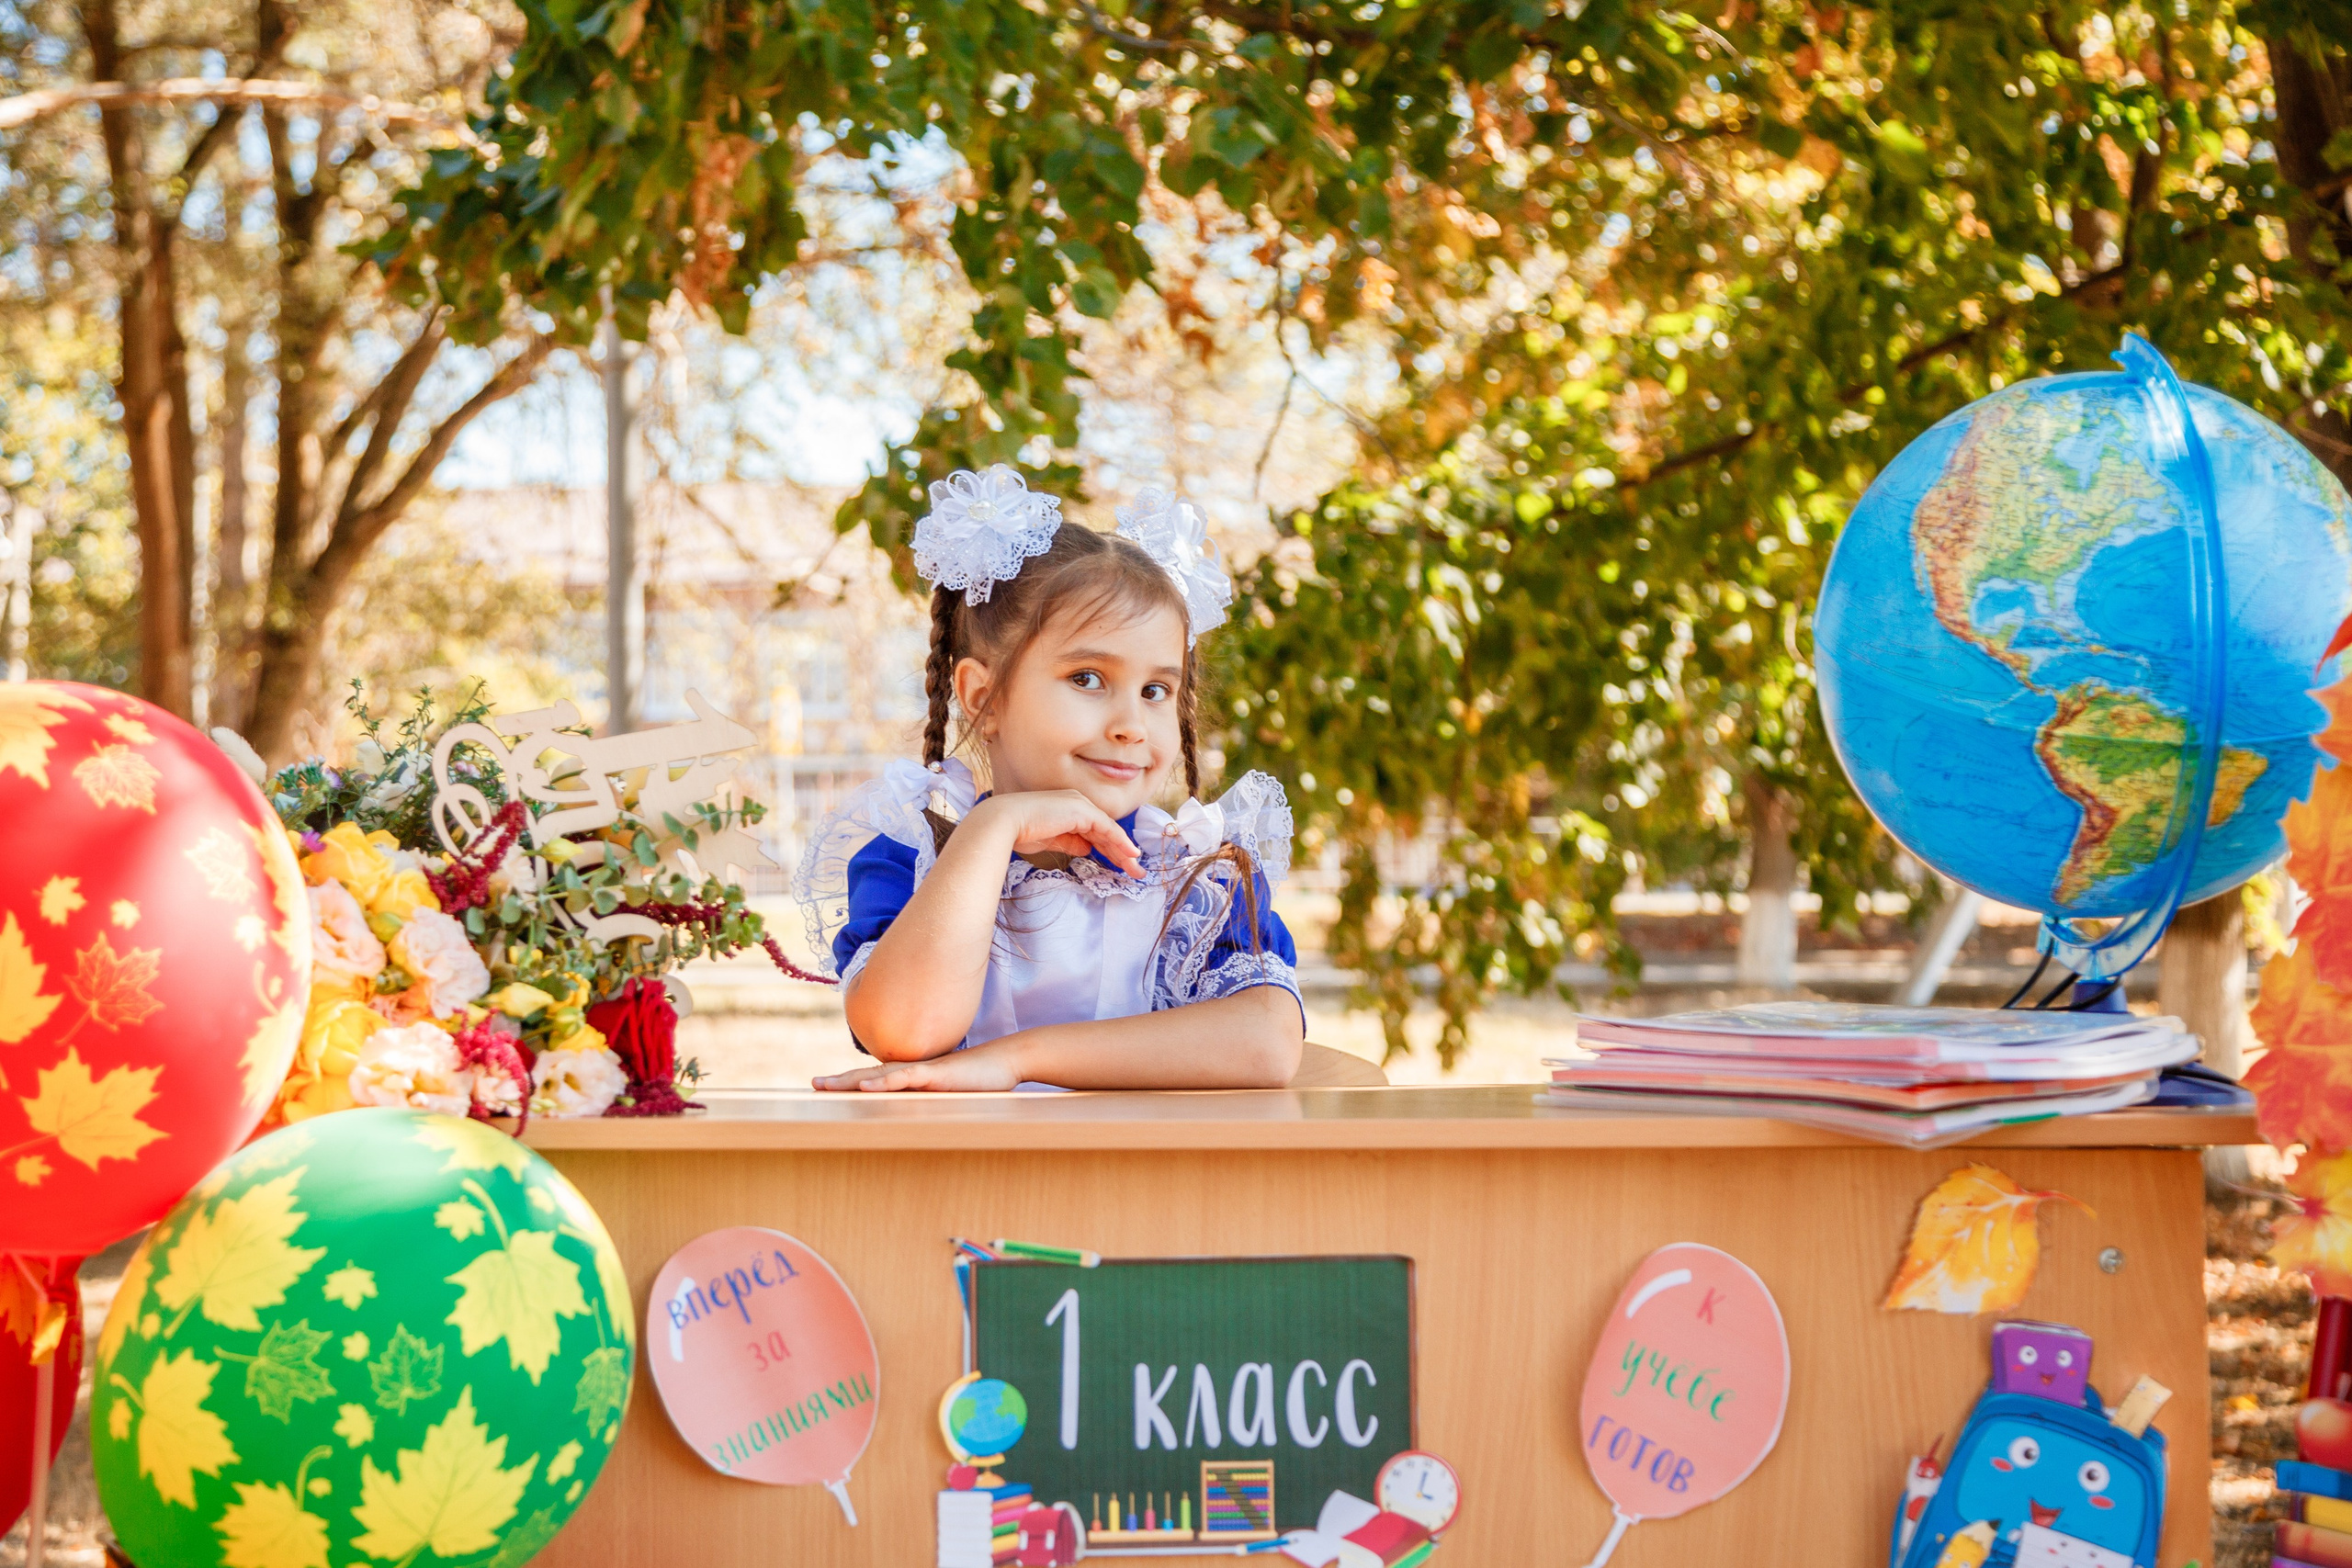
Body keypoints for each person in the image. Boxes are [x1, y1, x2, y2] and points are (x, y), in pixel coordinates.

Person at [793, 465, 1305, 1090]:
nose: (1131, 724)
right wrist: (992, 825)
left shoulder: (1195, 876)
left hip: (1148, 1188)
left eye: (1155, 689)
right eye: (1088, 678)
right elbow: (905, 1030)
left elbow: (1269, 1044)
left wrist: (1015, 1059)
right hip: (960, 1186)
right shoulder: (912, 856)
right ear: (984, 699)